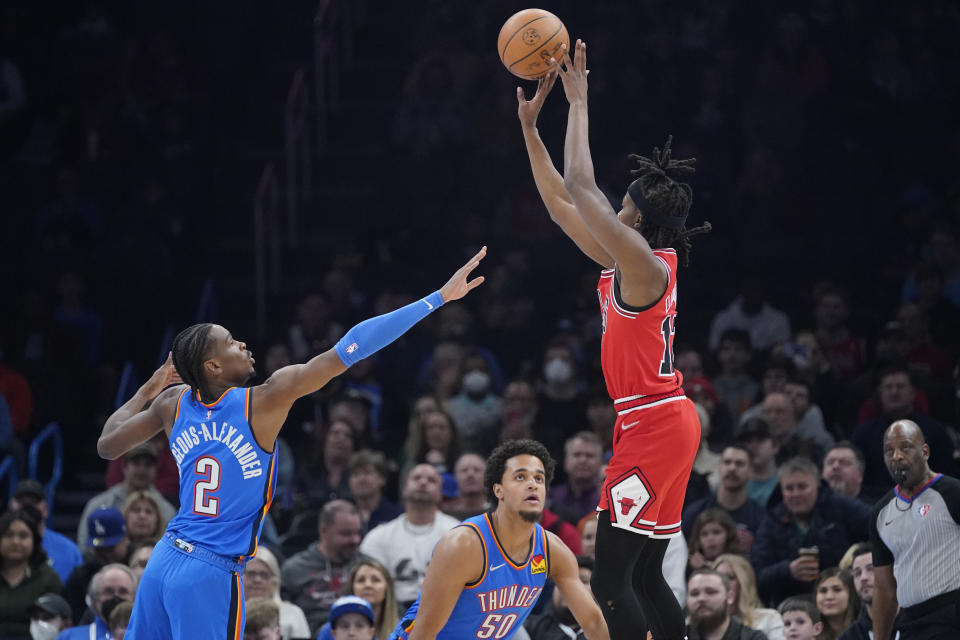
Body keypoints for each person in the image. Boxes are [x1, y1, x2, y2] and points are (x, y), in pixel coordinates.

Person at [97, 248, 487, 640]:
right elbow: (352, 347)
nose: (243, 344)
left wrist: (150, 386)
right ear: (212, 367)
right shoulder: (264, 400)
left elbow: (109, 445)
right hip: (209, 569)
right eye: (230, 343)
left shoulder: (171, 402)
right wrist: (436, 298)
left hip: (163, 560)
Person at [521, 42, 708, 640]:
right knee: (647, 575)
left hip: (655, 423)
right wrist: (530, 130)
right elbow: (559, 203)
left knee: (611, 580)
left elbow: (581, 184)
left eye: (620, 205)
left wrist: (578, 104)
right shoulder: (629, 261)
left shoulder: (646, 266)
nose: (613, 211)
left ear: (636, 218)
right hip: (655, 420)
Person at [386, 439, 608, 640]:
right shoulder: (464, 545)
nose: (532, 484)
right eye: (520, 477)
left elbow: (593, 622)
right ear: (499, 490)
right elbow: (424, 634)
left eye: (539, 478)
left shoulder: (553, 550)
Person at [870, 420, 960, 640]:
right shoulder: (881, 512)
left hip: (951, 614)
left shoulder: (953, 493)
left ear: (925, 451)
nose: (897, 456)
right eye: (889, 450)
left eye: (906, 447)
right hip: (910, 621)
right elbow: (884, 589)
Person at [751, 457, 870, 606]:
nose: (796, 494)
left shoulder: (843, 508)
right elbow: (758, 576)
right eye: (789, 488)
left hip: (848, 602)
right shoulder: (772, 521)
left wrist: (853, 565)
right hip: (793, 607)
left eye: (802, 487)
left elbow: (878, 533)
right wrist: (788, 571)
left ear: (817, 485)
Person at [359, 464, 460, 609]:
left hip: (444, 612)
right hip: (392, 614)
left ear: (440, 493)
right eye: (416, 478)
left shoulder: (458, 533)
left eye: (431, 480)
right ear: (404, 489)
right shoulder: (378, 537)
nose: (423, 482)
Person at [281, 500, 365, 634]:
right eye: (346, 534)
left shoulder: (367, 566)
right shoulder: (295, 568)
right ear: (324, 531)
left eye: (357, 533)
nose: (355, 540)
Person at [76, 443, 176, 547]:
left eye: (148, 465)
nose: (142, 470)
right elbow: (84, 546)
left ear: (156, 470)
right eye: (136, 463)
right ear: (124, 466)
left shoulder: (166, 510)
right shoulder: (100, 504)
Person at [682, 444, 765, 554]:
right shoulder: (695, 512)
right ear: (719, 468)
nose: (732, 468)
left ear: (751, 471)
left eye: (739, 464)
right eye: (727, 462)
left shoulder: (759, 517)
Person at [0, 509, 62, 639]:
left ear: (35, 541)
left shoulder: (49, 578)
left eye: (23, 536)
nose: (16, 542)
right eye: (9, 535)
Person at [62, 507, 129, 623]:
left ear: (126, 539)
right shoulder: (80, 577)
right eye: (100, 549)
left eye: (111, 548)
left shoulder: (138, 568)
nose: (105, 554)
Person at [8, 479, 82, 583]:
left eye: (34, 502)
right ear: (11, 507)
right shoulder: (3, 546)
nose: (27, 507)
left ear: (46, 509)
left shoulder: (69, 551)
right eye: (22, 502)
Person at [315, 558, 400, 640]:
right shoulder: (330, 630)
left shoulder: (403, 630)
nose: (368, 585)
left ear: (387, 589)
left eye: (375, 580)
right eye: (361, 580)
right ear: (352, 587)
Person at [242, 547, 310, 640]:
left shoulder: (293, 614)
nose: (257, 580)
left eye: (264, 575)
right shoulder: (229, 612)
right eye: (251, 573)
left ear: (274, 581)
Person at [713, 554, 783, 640]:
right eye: (717, 578)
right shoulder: (704, 623)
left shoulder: (769, 618)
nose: (722, 583)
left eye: (729, 577)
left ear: (743, 583)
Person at [57, 563, 136, 640]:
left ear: (134, 598)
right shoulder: (69, 637)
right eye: (108, 592)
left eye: (123, 592)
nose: (116, 597)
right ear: (94, 598)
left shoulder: (144, 635)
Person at [838, 543, 899, 640]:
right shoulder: (849, 637)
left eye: (871, 569)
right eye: (857, 573)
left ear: (893, 571)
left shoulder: (917, 624)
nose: (863, 578)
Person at [524, 555, 594, 640]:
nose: (572, 587)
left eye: (583, 580)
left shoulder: (608, 632)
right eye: (562, 581)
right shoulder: (526, 629)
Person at [685, 569, 767, 640]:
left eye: (711, 592)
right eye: (694, 594)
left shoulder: (752, 638)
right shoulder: (678, 636)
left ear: (729, 597)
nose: (701, 598)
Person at [547, 432, 603, 525]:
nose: (583, 460)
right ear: (566, 462)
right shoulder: (551, 497)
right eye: (577, 455)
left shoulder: (606, 502)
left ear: (600, 463)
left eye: (589, 456)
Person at [348, 449, 402, 532]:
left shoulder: (396, 515)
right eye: (356, 474)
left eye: (367, 473)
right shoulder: (342, 512)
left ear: (382, 479)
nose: (361, 479)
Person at [814, 568, 859, 640]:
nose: (829, 597)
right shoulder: (808, 635)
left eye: (837, 590)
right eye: (823, 591)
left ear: (851, 595)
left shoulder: (865, 630)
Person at [442, 452, 489, 521]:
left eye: (477, 470)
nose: (470, 474)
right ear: (455, 477)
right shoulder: (446, 514)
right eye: (464, 470)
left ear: (486, 476)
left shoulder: (499, 512)